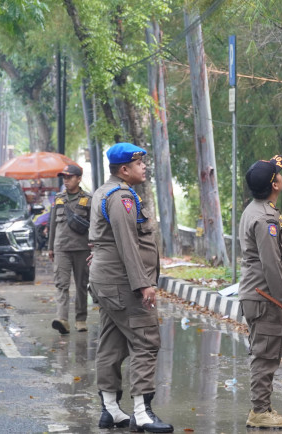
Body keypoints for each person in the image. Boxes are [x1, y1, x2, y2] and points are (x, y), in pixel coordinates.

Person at [88, 143, 172, 433]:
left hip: (107, 280)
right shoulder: (121, 196)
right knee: (146, 340)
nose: (144, 166)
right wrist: (143, 283)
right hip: (122, 282)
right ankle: (142, 413)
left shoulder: (104, 190)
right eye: (139, 163)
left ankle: (110, 409)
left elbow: (104, 238)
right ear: (124, 169)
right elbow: (127, 243)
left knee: (112, 341)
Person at [238, 155, 282, 429]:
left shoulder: (256, 209)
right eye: (277, 174)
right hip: (265, 297)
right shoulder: (264, 219)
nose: (281, 176)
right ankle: (259, 411)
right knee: (265, 355)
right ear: (274, 184)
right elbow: (271, 264)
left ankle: (264, 407)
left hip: (259, 294)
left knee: (266, 352)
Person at [49, 164, 92, 335]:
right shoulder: (59, 198)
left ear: (79, 178)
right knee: (61, 284)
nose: (66, 181)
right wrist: (50, 247)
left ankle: (81, 319)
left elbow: (95, 225)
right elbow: (53, 224)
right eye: (64, 178)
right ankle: (62, 319)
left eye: (69, 177)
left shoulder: (88, 199)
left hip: (82, 249)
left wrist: (94, 245)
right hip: (61, 248)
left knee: (81, 284)